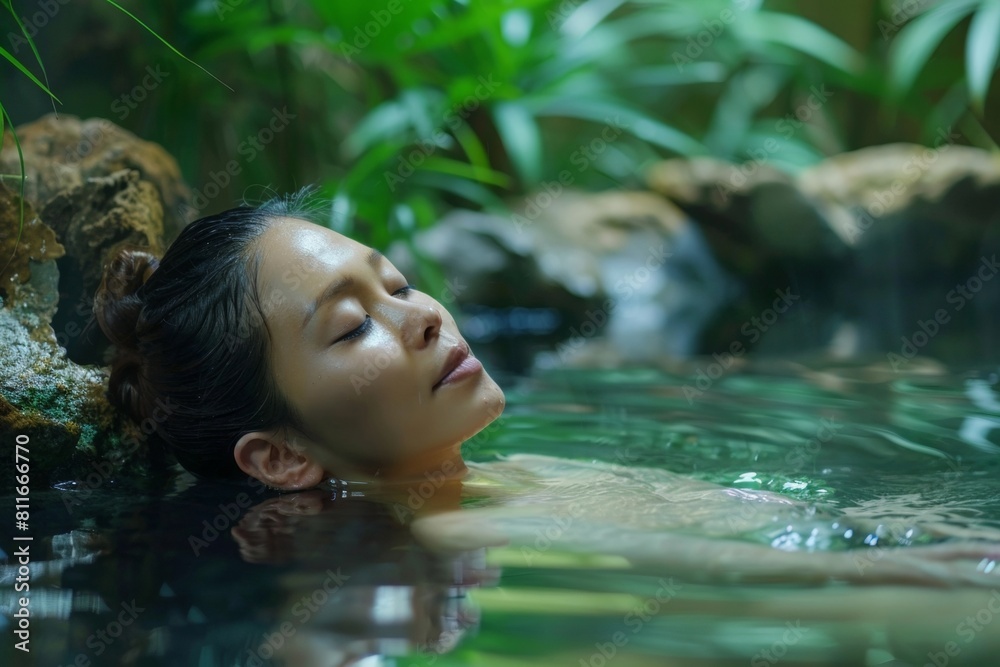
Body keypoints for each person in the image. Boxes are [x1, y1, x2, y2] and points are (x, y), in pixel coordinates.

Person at [94, 189, 1000, 594]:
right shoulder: (457, 532)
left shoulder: (498, 477)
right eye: (348, 326)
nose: (422, 317)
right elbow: (754, 568)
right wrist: (891, 564)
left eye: (400, 283)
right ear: (281, 455)